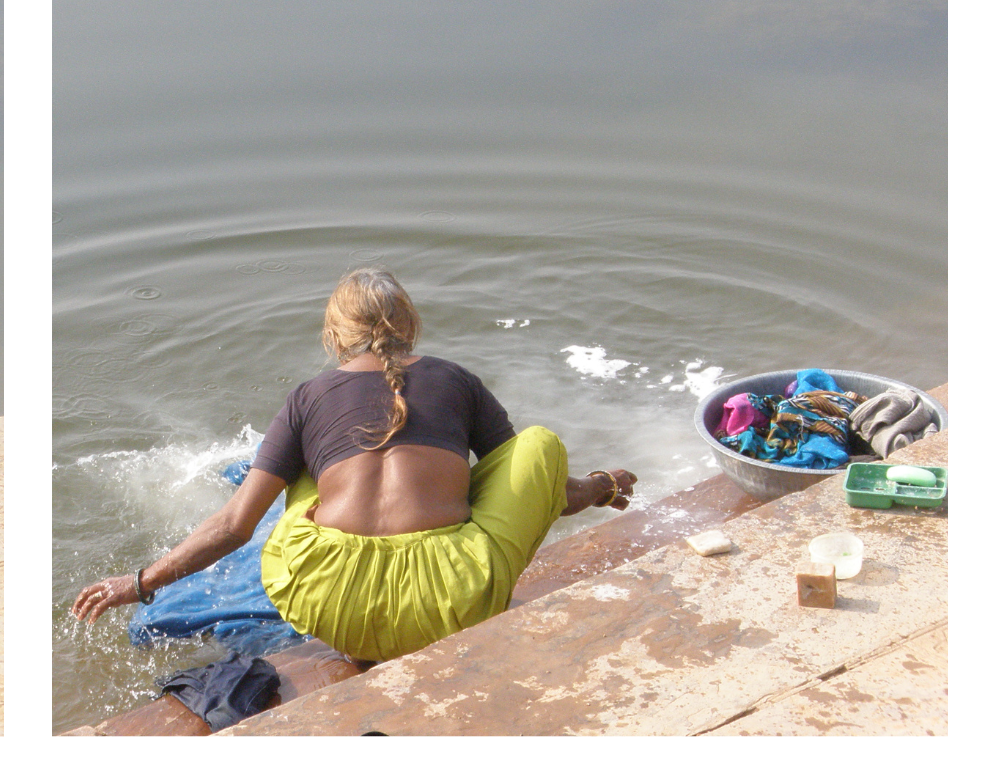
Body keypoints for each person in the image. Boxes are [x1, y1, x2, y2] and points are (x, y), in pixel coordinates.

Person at [72, 267, 637, 664]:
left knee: (302, 470)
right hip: (452, 599)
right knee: (534, 447)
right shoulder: (457, 380)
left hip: (326, 599)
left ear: (334, 335)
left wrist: (140, 582)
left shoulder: (307, 396)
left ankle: (356, 607)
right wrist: (599, 485)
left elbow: (233, 527)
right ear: (410, 325)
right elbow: (547, 496)